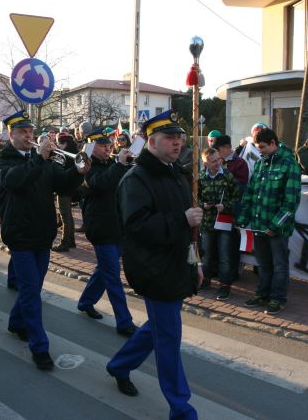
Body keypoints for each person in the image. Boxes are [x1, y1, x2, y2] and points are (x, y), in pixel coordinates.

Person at [106, 110, 204, 420]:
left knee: (158, 329)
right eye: (170, 139)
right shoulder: (136, 179)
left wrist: (196, 262)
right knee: (169, 340)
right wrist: (181, 219)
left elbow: (189, 230)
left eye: (179, 139)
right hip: (153, 268)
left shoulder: (176, 173)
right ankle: (182, 408)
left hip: (177, 264)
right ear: (152, 141)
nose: (177, 144)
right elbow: (136, 227)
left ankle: (119, 365)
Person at [0, 110, 89, 371]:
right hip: (20, 236)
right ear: (10, 135)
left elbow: (64, 185)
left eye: (31, 132)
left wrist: (78, 170)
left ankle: (15, 322)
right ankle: (39, 346)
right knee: (31, 292)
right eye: (23, 132)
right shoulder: (3, 161)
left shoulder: (45, 162)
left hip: (43, 233)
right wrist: (38, 159)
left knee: (31, 288)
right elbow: (15, 182)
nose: (29, 136)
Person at [76, 127, 138, 336]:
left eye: (108, 145)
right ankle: (124, 321)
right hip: (100, 226)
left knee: (105, 269)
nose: (107, 149)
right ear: (92, 147)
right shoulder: (86, 166)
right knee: (113, 275)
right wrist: (120, 165)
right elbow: (98, 183)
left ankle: (86, 301)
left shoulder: (111, 164)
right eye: (102, 146)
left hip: (117, 225)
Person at [237, 127, 302, 315]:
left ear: (273, 143)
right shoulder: (260, 164)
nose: (260, 151)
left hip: (277, 230)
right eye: (258, 148)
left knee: (279, 265)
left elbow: (291, 202)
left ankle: (278, 298)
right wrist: (242, 219)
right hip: (259, 226)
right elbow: (250, 193)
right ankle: (262, 294)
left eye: (263, 147)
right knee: (263, 264)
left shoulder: (289, 165)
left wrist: (275, 226)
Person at [199, 147, 240, 299]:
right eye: (213, 161)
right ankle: (206, 279)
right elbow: (195, 199)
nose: (217, 163)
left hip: (224, 221)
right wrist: (203, 205)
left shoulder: (228, 176)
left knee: (224, 254)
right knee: (207, 254)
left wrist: (226, 206)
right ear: (205, 164)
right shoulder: (201, 177)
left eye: (218, 159)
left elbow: (237, 198)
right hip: (208, 222)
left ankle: (225, 285)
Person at [212, 135, 249, 281]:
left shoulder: (239, 163)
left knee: (231, 243)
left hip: (233, 210)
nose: (217, 153)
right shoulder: (217, 162)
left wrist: (224, 173)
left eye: (218, 150)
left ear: (227, 148)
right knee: (218, 242)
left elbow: (240, 187)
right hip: (218, 210)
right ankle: (217, 269)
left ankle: (232, 272)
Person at [52, 131, 79, 252]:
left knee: (65, 217)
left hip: (63, 189)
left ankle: (65, 242)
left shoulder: (63, 155)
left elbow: (57, 170)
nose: (58, 145)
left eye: (60, 143)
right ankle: (71, 240)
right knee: (69, 216)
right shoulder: (73, 153)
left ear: (65, 143)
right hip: (70, 188)